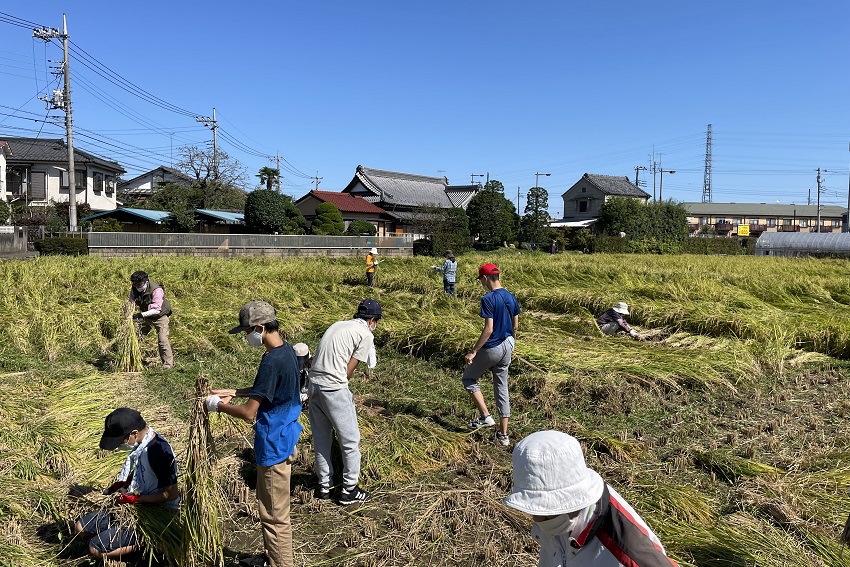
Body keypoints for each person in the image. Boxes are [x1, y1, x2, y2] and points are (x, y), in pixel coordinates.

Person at [206, 301, 302, 567]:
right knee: (276, 512)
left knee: (273, 517)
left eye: (248, 331)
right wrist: (235, 391)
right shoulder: (287, 352)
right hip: (286, 435)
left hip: (273, 445)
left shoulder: (272, 361)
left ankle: (281, 563)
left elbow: (250, 413)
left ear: (260, 327)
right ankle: (275, 558)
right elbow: (269, 389)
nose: (247, 337)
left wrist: (219, 406)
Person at [504, 430, 678, 567]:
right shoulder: (563, 519)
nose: (536, 519)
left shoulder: (628, 555)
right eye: (533, 507)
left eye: (545, 509)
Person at [75, 408, 180, 560]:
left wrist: (136, 499)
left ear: (134, 433)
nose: (119, 445)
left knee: (95, 548)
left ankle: (148, 542)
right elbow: (144, 471)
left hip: (156, 510)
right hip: (137, 503)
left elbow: (170, 494)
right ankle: (115, 539)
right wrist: (126, 483)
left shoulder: (160, 452)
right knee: (80, 528)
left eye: (121, 441)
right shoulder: (142, 444)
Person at [307, 298, 381, 505]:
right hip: (333, 387)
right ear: (373, 320)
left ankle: (325, 486)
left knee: (321, 438)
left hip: (313, 385)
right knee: (350, 440)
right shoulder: (365, 334)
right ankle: (349, 490)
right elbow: (348, 371)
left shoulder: (338, 325)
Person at [463, 263, 521, 446]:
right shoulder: (511, 297)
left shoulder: (488, 299)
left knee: (469, 379)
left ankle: (485, 416)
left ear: (486, 278)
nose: (481, 282)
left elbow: (488, 330)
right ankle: (503, 435)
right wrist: (511, 344)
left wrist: (474, 351)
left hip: (494, 347)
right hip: (508, 345)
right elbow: (516, 326)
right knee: (501, 387)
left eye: (481, 279)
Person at [129, 270, 173, 369]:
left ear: (146, 281)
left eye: (139, 284)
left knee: (163, 340)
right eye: (135, 284)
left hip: (160, 316)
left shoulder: (156, 290)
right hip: (146, 316)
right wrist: (129, 314)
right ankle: (133, 359)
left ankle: (167, 365)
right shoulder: (134, 289)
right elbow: (131, 302)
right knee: (136, 337)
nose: (138, 286)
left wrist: (139, 315)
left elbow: (156, 310)